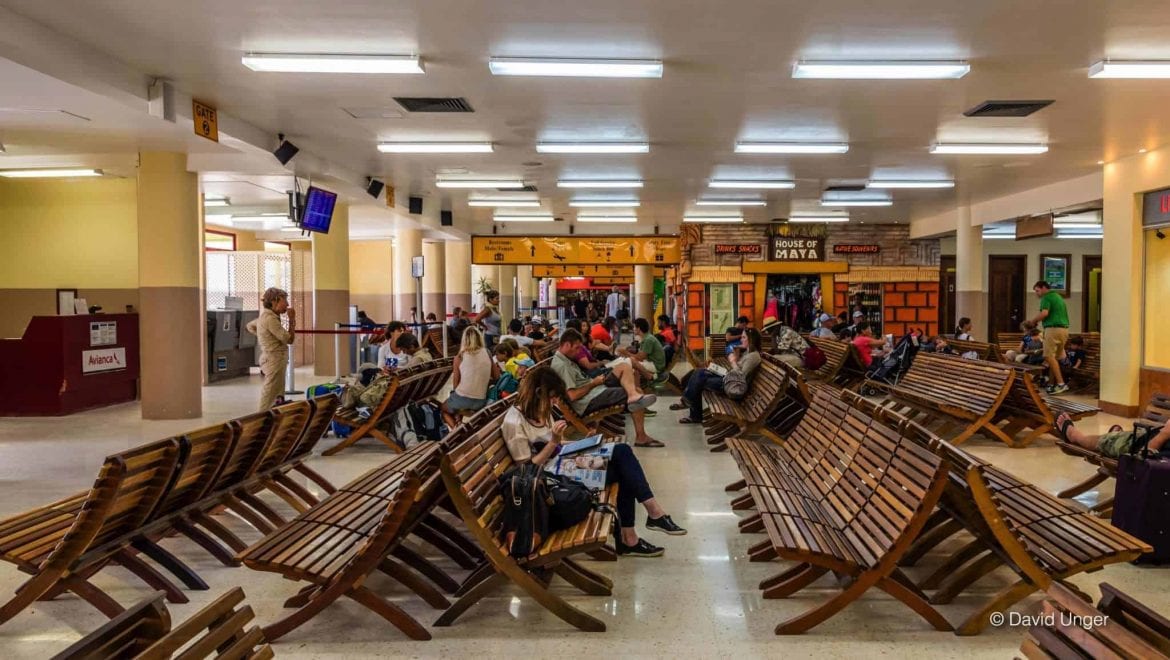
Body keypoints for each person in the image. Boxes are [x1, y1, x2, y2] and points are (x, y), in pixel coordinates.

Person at [501, 366, 685, 557]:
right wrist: (555, 442)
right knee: (623, 462)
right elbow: (527, 469)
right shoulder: (514, 422)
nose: (555, 403)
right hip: (551, 479)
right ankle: (645, 523)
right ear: (539, 393)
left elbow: (554, 444)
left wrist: (583, 443)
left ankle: (639, 529)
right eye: (553, 397)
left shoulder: (539, 408)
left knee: (622, 458)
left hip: (563, 464)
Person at [551, 329, 662, 447]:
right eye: (577, 348)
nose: (579, 352)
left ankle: (632, 395)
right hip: (589, 400)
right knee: (638, 392)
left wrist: (595, 383)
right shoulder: (562, 365)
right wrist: (594, 383)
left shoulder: (565, 359)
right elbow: (573, 396)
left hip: (595, 390)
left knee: (624, 366)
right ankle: (641, 436)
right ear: (567, 345)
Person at [675, 328, 762, 424]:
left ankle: (690, 407)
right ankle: (688, 403)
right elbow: (737, 372)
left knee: (699, 379)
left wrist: (733, 362)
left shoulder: (753, 357)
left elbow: (741, 376)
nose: (741, 339)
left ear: (751, 339)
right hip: (729, 379)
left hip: (732, 385)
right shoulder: (748, 353)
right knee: (700, 372)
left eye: (744, 337)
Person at [245, 287, 295, 410]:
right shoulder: (270, 319)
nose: (287, 304)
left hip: (273, 358)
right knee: (269, 395)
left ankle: (274, 420)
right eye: (285, 300)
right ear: (275, 301)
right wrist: (292, 320)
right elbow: (289, 339)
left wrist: (264, 336)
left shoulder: (265, 317)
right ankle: (260, 420)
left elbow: (250, 326)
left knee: (277, 394)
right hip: (274, 359)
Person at [441, 325, 499, 427]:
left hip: (463, 399)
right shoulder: (487, 352)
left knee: (444, 409)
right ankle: (459, 423)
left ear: (464, 340)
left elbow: (455, 384)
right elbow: (496, 376)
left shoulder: (460, 356)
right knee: (458, 402)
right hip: (481, 400)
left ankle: (456, 430)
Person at [1057, 413, 1170, 459]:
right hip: (1145, 435)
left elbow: (1144, 458)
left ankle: (1075, 436)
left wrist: (1164, 434)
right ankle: (1114, 435)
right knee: (1117, 438)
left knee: (1104, 441)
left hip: (1134, 446)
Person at [1028, 280, 1071, 394]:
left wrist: (1033, 321)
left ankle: (1061, 384)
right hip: (1064, 330)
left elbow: (1044, 313)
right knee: (1054, 358)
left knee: (1048, 357)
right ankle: (1052, 385)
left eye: (1037, 291)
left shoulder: (1046, 298)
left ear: (1043, 288)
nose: (1037, 294)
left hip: (1053, 329)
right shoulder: (1058, 297)